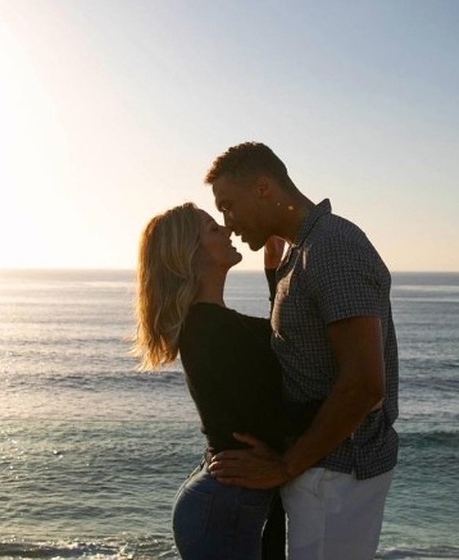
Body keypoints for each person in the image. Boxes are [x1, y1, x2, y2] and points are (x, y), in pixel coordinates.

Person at [204, 142, 399, 560]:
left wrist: (286, 466)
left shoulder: (332, 247)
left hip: (337, 474)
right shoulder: (304, 252)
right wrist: (276, 275)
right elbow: (306, 342)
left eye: (229, 206)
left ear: (262, 188)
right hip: (323, 470)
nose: (228, 223)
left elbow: (365, 385)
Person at [132, 202, 291, 560]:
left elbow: (274, 344)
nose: (228, 230)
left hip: (223, 502)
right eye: (213, 228)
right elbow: (276, 393)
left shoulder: (211, 323)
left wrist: (273, 272)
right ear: (191, 252)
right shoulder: (209, 329)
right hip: (223, 509)